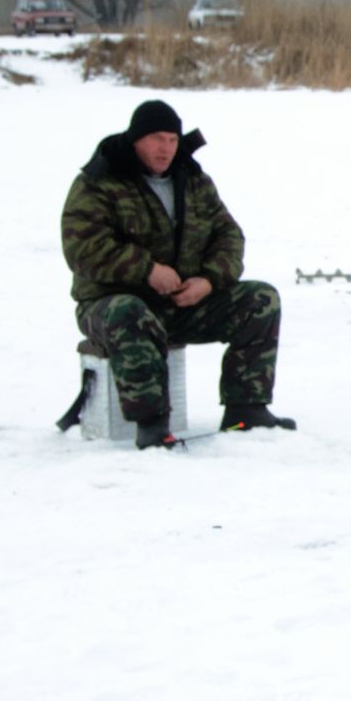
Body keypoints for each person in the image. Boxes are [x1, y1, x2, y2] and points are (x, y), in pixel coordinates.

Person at [61, 99, 296, 450]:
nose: (166, 148)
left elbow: (229, 237)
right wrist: (147, 270)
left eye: (172, 139)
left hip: (183, 304)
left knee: (260, 299)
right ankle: (153, 425)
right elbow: (82, 248)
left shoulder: (194, 180)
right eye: (157, 138)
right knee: (130, 311)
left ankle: (246, 410)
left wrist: (210, 281)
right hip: (109, 307)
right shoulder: (99, 181)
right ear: (136, 139)